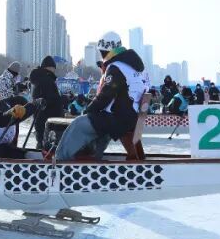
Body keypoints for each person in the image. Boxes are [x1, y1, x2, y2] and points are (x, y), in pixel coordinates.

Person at [53, 32, 149, 162]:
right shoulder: (137, 68)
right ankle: (93, 159)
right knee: (98, 125)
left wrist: (89, 110)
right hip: (131, 117)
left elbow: (106, 94)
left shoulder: (116, 67)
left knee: (79, 124)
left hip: (118, 118)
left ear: (105, 51)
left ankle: (59, 160)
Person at [28, 56, 64, 149]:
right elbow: (50, 99)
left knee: (41, 142)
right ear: (50, 67)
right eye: (54, 68)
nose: (54, 70)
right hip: (48, 120)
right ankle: (45, 161)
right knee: (47, 145)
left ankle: (41, 157)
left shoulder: (40, 79)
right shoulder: (46, 80)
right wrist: (63, 99)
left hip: (41, 118)